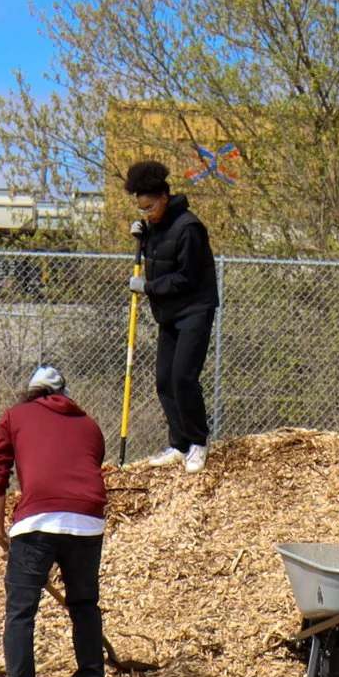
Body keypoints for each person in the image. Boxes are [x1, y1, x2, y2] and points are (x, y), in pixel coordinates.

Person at [0, 363, 110, 677]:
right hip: (87, 521)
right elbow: (88, 465)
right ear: (63, 393)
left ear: (30, 392)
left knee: (21, 612)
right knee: (84, 607)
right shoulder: (89, 424)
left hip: (36, 522)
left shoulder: (15, 416)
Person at [124, 158, 218, 472]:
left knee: (183, 378)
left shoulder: (189, 228)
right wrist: (143, 235)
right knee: (164, 380)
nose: (146, 213)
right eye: (141, 209)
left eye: (149, 207)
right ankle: (179, 443)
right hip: (169, 314)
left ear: (165, 198)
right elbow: (159, 252)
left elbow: (187, 277)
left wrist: (148, 286)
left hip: (194, 310)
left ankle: (197, 443)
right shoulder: (156, 227)